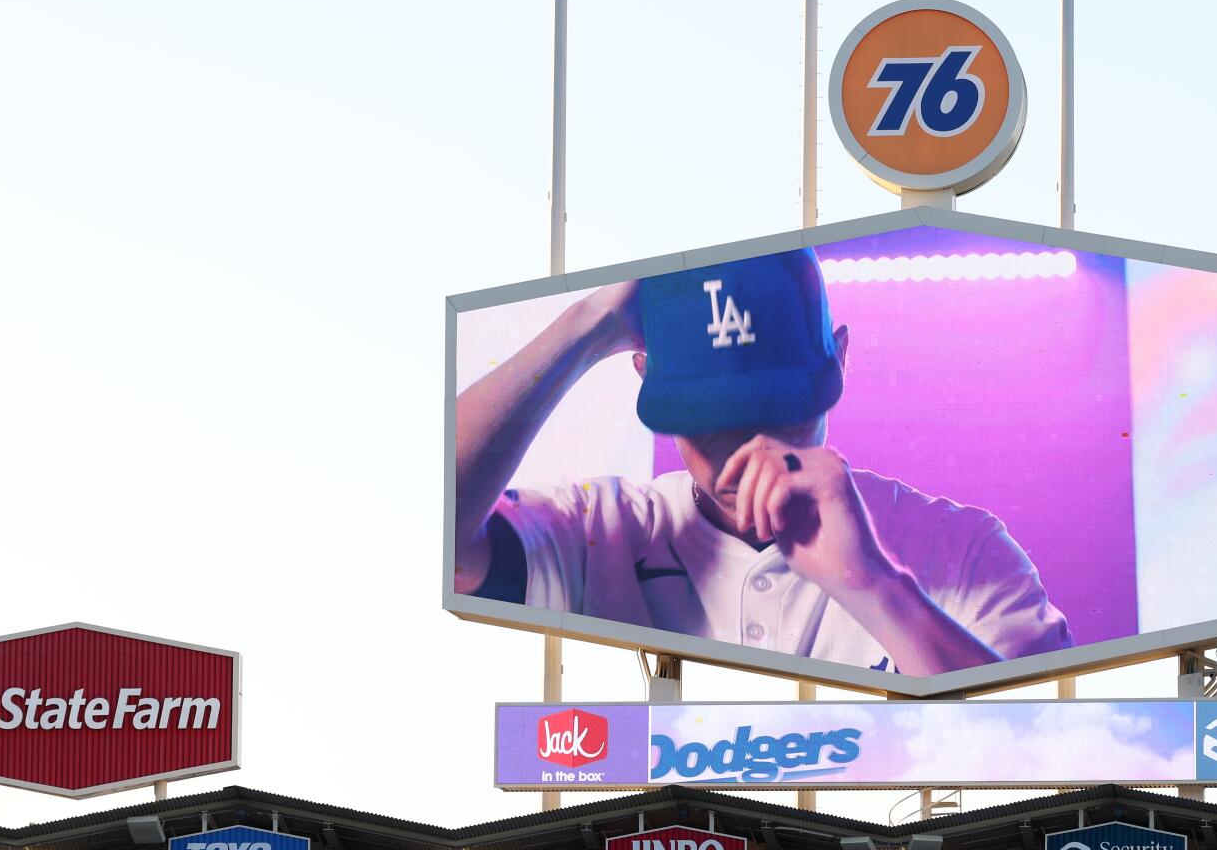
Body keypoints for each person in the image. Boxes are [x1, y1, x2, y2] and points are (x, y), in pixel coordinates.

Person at [452, 250, 1073, 676]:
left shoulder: (962, 547)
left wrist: (877, 589)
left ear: (841, 359)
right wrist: (585, 324)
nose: (746, 446)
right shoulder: (597, 528)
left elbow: (1051, 751)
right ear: (643, 371)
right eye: (708, 414)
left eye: (776, 407)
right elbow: (436, 530)